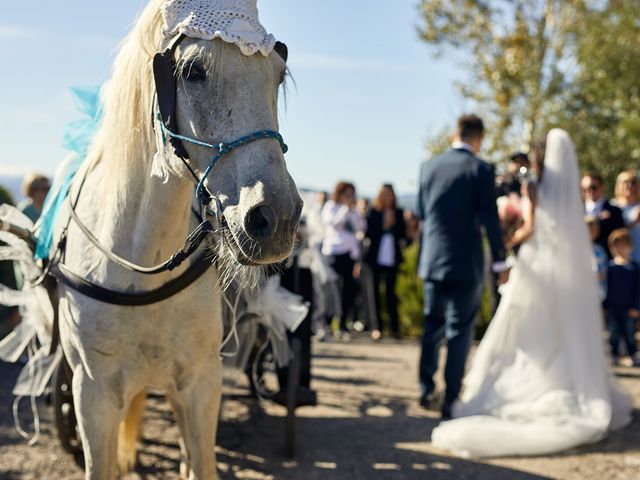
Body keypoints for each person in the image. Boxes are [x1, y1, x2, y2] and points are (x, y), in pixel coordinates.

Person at [431, 129, 633, 458]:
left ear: (538, 157)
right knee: (562, 332)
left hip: (535, 269)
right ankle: (567, 385)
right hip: (564, 274)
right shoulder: (572, 195)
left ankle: (522, 389)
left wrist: (509, 240)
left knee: (522, 332)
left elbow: (531, 227)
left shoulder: (534, 187)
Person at [416, 114, 508, 419]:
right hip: (465, 261)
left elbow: (420, 211)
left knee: (432, 325)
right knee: (459, 331)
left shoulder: (429, 167)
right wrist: (499, 260)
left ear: (455, 134)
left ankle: (425, 388)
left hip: (432, 259)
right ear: (478, 138)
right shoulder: (481, 169)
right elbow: (490, 219)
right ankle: (450, 398)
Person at [321, 182, 366, 339]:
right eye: (346, 194)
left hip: (349, 254)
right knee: (332, 290)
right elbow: (332, 223)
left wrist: (354, 212)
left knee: (347, 290)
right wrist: (345, 209)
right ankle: (326, 322)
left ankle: (342, 324)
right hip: (333, 253)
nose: (349, 198)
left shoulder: (353, 211)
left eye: (351, 195)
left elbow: (361, 228)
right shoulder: (331, 206)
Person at [364, 184, 407, 340]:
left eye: (390, 195)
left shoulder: (399, 212)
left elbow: (404, 235)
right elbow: (368, 233)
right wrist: (384, 226)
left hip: (392, 256)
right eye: (385, 194)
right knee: (374, 293)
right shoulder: (373, 212)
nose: (387, 198)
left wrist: (394, 224)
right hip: (375, 256)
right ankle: (377, 327)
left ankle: (394, 328)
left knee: (391, 293)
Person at [604, 229, 640, 367]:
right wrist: (605, 306)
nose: (620, 249)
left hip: (629, 308)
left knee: (629, 333)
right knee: (613, 332)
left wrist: (636, 307)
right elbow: (606, 287)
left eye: (623, 246)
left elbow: (637, 289)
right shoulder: (610, 267)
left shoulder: (634, 267)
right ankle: (614, 354)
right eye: (616, 246)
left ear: (630, 247)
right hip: (613, 307)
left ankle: (632, 354)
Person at [582, 171, 624, 258]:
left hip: (608, 263)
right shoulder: (578, 211)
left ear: (602, 187)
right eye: (584, 189)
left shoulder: (615, 211)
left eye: (593, 187)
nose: (589, 191)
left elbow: (621, 239)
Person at [613, 170, 640, 264]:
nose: (629, 186)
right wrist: (634, 222)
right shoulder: (613, 207)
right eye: (625, 182)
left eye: (633, 182)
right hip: (621, 262)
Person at [586, 216, 608, 302]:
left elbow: (604, 273)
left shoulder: (599, 250)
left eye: (594, 229)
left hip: (599, 294)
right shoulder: (578, 250)